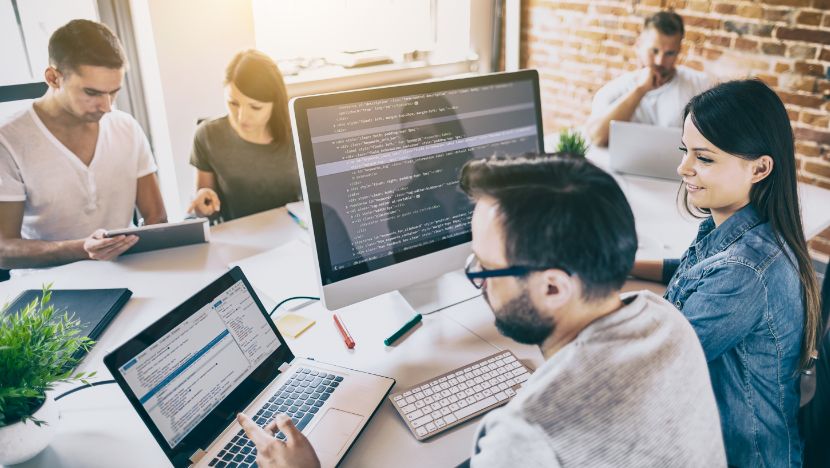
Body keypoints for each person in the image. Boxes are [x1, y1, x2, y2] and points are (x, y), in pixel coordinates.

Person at [236, 155, 726, 467]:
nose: (474, 279)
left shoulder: (526, 435)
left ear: (554, 287)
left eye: (485, 269)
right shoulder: (666, 320)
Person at [631, 79, 822, 467]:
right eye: (685, 150)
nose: (683, 167)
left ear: (759, 168)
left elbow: (651, 368)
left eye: (704, 158)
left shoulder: (744, 272)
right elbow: (693, 272)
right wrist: (623, 264)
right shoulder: (747, 231)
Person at [0, 19, 166, 270]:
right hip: (49, 292)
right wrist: (82, 249)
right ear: (53, 78)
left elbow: (157, 217)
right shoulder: (8, 140)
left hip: (128, 273)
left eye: (114, 91)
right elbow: (3, 251)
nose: (107, 106)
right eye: (92, 93)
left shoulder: (126, 127)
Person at [187, 49, 300, 222]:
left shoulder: (298, 132)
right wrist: (202, 205)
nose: (241, 117)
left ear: (275, 103)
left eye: (255, 107)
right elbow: (207, 213)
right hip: (240, 239)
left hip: (295, 233)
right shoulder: (208, 135)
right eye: (233, 103)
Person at [585, 11, 711, 147]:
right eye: (654, 51)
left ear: (679, 50)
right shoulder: (614, 89)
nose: (660, 61)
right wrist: (640, 90)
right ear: (639, 46)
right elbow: (597, 138)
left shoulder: (700, 85)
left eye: (670, 53)